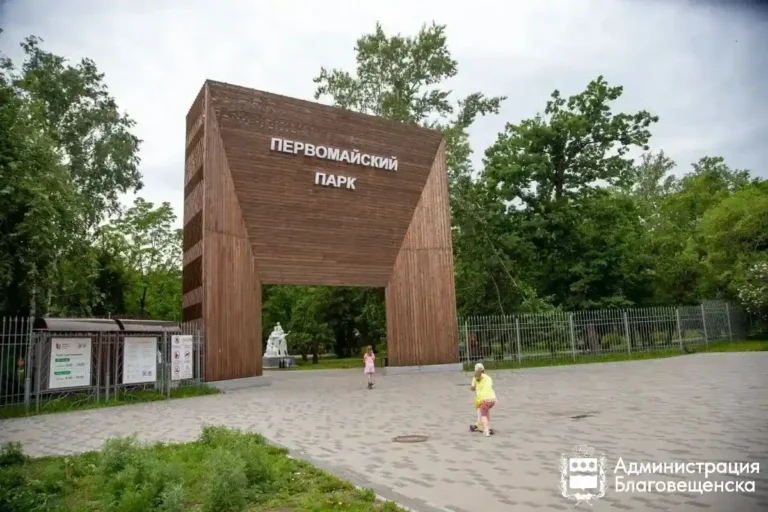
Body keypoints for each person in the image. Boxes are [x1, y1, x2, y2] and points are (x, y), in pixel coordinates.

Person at [470, 363, 496, 436]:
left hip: (481, 399)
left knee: (482, 412)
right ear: (484, 370)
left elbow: (472, 388)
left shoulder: (475, 377)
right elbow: (491, 386)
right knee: (485, 410)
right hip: (492, 399)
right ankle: (478, 424)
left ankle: (485, 428)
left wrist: (475, 386)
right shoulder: (488, 377)